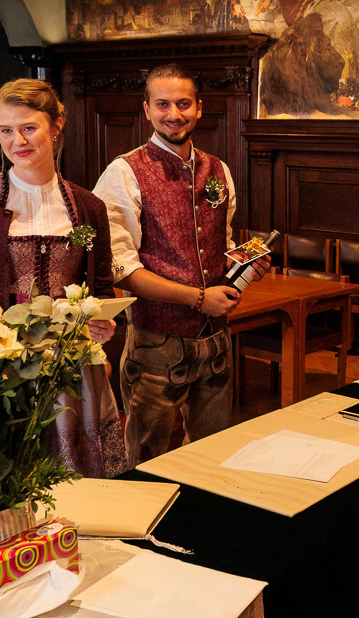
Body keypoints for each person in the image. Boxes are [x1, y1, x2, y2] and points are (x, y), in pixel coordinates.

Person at [0, 79, 125, 478]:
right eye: (5, 130)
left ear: (56, 126)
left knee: (80, 483)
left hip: (74, 369)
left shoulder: (89, 207)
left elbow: (103, 287)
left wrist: (103, 323)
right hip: (1, 368)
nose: (17, 140)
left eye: (28, 127)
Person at [94, 61, 268, 464]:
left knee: (212, 454)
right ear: (147, 110)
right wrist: (196, 298)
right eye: (163, 104)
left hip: (216, 341)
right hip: (156, 344)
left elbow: (219, 244)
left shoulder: (218, 169)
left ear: (200, 107)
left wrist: (245, 267)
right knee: (146, 457)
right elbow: (121, 269)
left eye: (183, 103)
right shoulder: (123, 172)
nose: (174, 114)